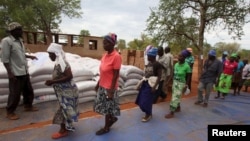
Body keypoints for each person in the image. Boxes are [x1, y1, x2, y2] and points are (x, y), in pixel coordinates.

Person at [0, 22, 38, 120]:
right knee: (15, 93)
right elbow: (5, 59)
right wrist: (10, 73)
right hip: (15, 72)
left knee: (28, 90)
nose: (21, 31)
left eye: (21, 29)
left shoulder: (20, 41)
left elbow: (21, 54)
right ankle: (10, 112)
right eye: (19, 30)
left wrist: (30, 56)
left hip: (24, 70)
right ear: (13, 31)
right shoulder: (6, 41)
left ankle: (28, 106)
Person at [45, 43, 79, 139]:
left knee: (63, 111)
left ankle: (63, 131)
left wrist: (53, 81)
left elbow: (69, 76)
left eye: (50, 54)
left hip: (68, 92)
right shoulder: (59, 62)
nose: (49, 56)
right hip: (64, 92)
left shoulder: (62, 63)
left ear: (56, 53)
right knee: (65, 111)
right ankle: (67, 127)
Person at [93, 33, 122, 135]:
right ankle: (112, 118)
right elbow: (103, 72)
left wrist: (111, 90)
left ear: (112, 44)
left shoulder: (116, 56)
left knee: (106, 108)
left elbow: (115, 75)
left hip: (109, 87)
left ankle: (106, 128)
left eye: (106, 43)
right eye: (103, 42)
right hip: (102, 85)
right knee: (103, 107)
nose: (103, 45)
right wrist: (98, 84)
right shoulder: (104, 56)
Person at [135, 47, 162, 122]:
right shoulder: (149, 63)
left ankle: (148, 114)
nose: (147, 57)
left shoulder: (157, 64)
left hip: (151, 85)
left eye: (149, 56)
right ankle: (148, 112)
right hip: (145, 83)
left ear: (153, 56)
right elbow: (146, 74)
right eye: (147, 55)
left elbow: (159, 76)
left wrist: (154, 86)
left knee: (146, 101)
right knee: (141, 99)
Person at [165, 50, 191, 119]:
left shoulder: (187, 66)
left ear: (184, 58)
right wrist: (168, 81)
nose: (178, 57)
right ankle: (178, 107)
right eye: (179, 56)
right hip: (175, 82)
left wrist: (186, 85)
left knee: (175, 97)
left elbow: (188, 76)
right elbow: (172, 74)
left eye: (181, 56)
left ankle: (171, 112)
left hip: (181, 84)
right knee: (176, 95)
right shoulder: (176, 64)